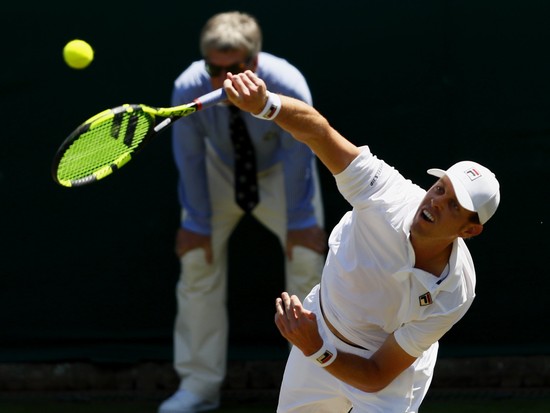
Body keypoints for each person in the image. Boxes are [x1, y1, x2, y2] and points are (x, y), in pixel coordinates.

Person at [223, 71, 501, 412]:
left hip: (381, 374)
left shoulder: (456, 290)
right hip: (320, 328)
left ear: (469, 230)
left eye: (454, 205)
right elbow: (318, 132)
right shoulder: (385, 192)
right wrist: (266, 105)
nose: (435, 202)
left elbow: (377, 374)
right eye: (440, 188)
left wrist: (316, 350)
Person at [158, 11, 327, 413]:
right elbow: (190, 158)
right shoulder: (188, 87)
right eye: (214, 69)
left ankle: (314, 390)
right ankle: (198, 388)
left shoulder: (287, 84)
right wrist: (197, 225)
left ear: (254, 60)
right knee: (197, 261)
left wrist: (300, 222)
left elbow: (299, 153)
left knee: (307, 260)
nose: (224, 80)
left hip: (281, 174)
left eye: (235, 68)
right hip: (216, 172)